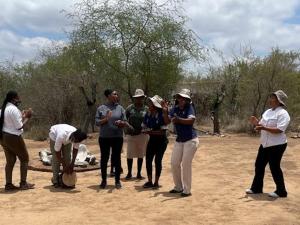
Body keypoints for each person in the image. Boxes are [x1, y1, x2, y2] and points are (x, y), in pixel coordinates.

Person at [246, 90, 290, 198]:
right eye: (270, 98)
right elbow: (261, 125)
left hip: (277, 145)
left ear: (279, 101)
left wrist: (263, 127)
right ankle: (256, 188)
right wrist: (256, 123)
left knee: (274, 167)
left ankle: (281, 191)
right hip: (265, 144)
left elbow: (280, 129)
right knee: (259, 165)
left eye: (273, 98)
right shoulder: (267, 112)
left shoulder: (283, 114)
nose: (270, 100)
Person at [166, 89, 199, 197]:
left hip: (191, 140)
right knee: (174, 163)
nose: (181, 100)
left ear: (187, 100)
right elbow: (167, 121)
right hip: (180, 140)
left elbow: (191, 121)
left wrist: (179, 120)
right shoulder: (174, 109)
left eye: (184, 98)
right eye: (180, 97)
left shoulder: (190, 108)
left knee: (185, 164)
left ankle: (187, 189)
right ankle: (178, 187)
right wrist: (164, 111)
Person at [0, 90, 34, 191]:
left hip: (3, 137)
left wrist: (21, 115)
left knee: (10, 161)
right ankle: (23, 183)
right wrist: (28, 117)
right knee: (24, 158)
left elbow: (8, 122)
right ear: (14, 98)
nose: (19, 99)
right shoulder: (13, 109)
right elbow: (19, 126)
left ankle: (8, 184)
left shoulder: (2, 109)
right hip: (13, 137)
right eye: (18, 97)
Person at [95, 89, 127, 189]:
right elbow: (96, 122)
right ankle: (104, 180)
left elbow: (125, 121)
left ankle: (117, 181)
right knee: (104, 159)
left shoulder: (120, 108)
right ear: (108, 96)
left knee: (117, 158)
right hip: (104, 138)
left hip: (117, 137)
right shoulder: (101, 108)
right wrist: (106, 119)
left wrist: (121, 123)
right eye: (114, 94)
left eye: (117, 94)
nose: (116, 96)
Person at [142, 95, 169, 189]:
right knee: (148, 160)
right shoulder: (148, 114)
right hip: (152, 140)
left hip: (162, 142)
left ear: (155, 105)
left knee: (158, 160)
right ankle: (150, 181)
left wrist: (150, 131)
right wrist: (146, 129)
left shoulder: (162, 114)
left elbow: (162, 132)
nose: (149, 104)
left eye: (151, 103)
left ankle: (156, 182)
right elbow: (144, 125)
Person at [125, 89, 149, 180]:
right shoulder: (129, 108)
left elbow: (148, 120)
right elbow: (125, 119)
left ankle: (138, 173)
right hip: (131, 134)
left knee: (140, 154)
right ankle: (129, 173)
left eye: (141, 98)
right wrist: (127, 129)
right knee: (130, 154)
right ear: (134, 98)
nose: (139, 99)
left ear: (143, 98)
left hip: (143, 135)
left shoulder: (146, 109)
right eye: (137, 98)